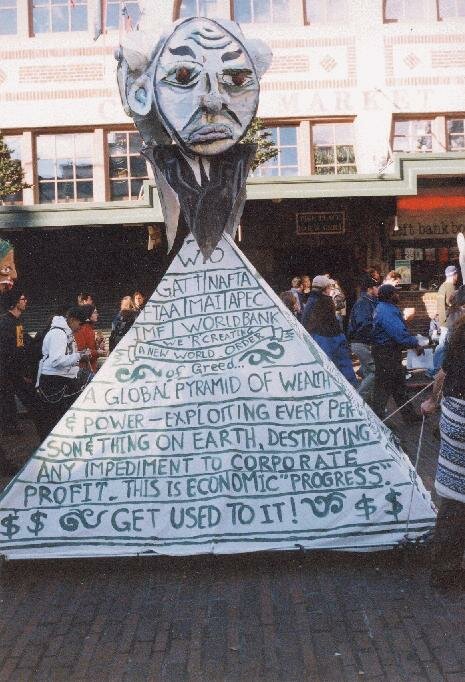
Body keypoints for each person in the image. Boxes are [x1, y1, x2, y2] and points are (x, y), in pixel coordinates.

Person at [421, 316, 465, 590]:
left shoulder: (459, 334)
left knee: (452, 498)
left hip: (452, 415)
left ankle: (445, 571)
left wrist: (432, 402)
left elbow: (441, 375)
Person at [36, 306, 91, 440]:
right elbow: (56, 361)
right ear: (72, 320)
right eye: (80, 324)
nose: (81, 327)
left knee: (59, 418)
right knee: (55, 419)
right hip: (54, 381)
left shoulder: (65, 332)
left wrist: (78, 356)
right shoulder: (58, 334)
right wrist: (79, 356)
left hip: (59, 379)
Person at [371, 284, 423, 423]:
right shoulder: (387, 311)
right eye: (396, 293)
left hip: (385, 352)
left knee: (397, 386)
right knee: (384, 387)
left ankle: (409, 416)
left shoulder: (382, 308)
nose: (398, 295)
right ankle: (376, 420)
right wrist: (415, 343)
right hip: (387, 353)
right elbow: (399, 333)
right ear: (390, 295)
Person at [304, 275, 358, 388]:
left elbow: (305, 321)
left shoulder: (310, 301)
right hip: (331, 339)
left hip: (318, 338)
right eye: (329, 287)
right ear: (325, 289)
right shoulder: (326, 302)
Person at [0, 289, 38, 436]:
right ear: (16, 302)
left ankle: (12, 427)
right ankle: (10, 428)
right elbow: (13, 349)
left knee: (13, 398)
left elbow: (23, 344)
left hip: (14, 370)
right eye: (23, 299)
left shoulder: (17, 322)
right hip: (7, 370)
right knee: (8, 399)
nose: (25, 301)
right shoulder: (6, 323)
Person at [347, 274, 379, 407]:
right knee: (376, 372)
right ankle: (357, 400)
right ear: (370, 289)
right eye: (376, 286)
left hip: (362, 342)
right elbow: (364, 324)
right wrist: (376, 333)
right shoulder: (364, 303)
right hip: (362, 342)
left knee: (368, 373)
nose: (378, 289)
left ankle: (368, 405)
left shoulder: (368, 301)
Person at [428, 265, 458, 378]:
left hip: (443, 320)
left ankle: (435, 370)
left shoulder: (442, 286)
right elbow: (452, 303)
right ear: (454, 275)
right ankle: (434, 370)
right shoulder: (450, 287)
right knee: (443, 347)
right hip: (449, 322)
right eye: (456, 274)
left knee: (443, 346)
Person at [74, 304, 107, 375]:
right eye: (94, 312)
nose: (97, 314)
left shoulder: (90, 329)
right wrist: (97, 352)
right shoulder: (81, 329)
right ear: (88, 315)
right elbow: (81, 351)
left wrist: (99, 345)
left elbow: (92, 350)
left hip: (91, 369)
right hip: (84, 371)